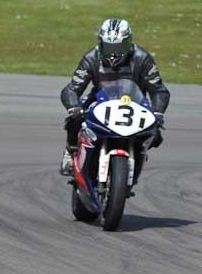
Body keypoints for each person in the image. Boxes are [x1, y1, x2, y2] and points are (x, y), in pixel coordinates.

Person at [59, 18, 170, 175]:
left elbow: (159, 90)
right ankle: (70, 153)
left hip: (134, 104)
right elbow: (72, 88)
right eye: (109, 47)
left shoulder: (142, 58)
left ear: (128, 43)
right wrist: (74, 107)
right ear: (100, 43)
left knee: (156, 136)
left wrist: (158, 113)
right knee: (74, 120)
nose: (113, 53)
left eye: (118, 47)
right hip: (99, 101)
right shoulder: (91, 58)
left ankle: (137, 157)